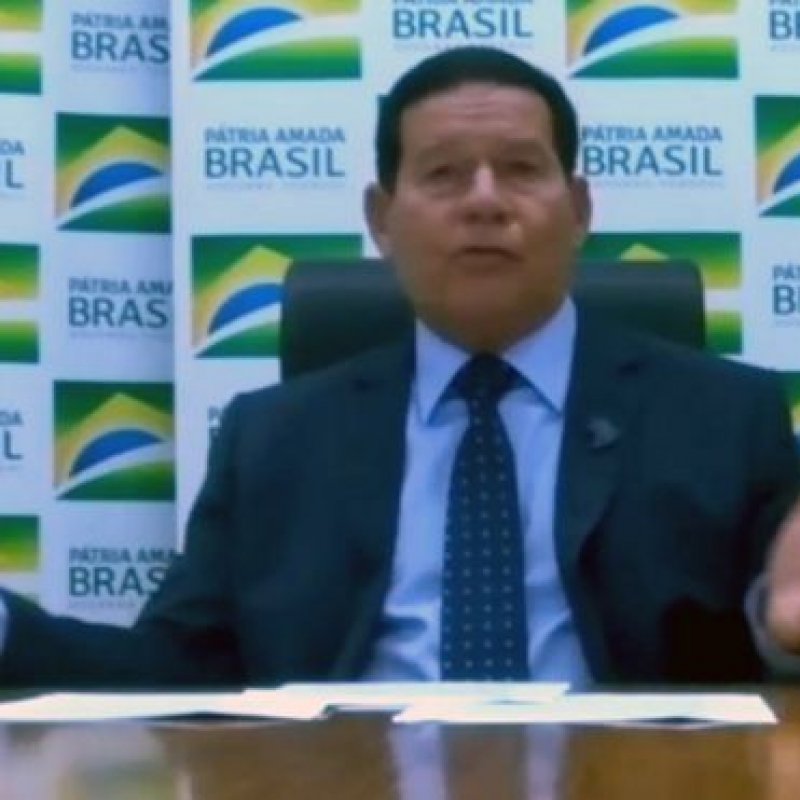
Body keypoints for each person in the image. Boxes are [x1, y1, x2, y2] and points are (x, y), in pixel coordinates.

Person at [1, 46, 799, 688]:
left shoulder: (729, 419)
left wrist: (782, 633)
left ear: (581, 210)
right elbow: (177, 670)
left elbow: (778, 635)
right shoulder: (273, 438)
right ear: (381, 219)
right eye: (443, 174)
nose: (484, 201)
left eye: (521, 169)